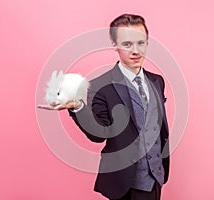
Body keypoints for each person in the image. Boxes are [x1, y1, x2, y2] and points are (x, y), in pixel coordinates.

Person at [38, 14, 170, 200]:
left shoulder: (157, 81)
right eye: (127, 44)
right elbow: (99, 134)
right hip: (123, 182)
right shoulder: (101, 86)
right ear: (114, 45)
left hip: (156, 177)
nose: (135, 50)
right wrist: (77, 106)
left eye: (141, 43)